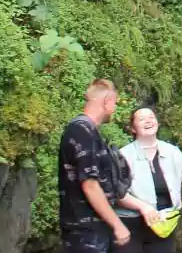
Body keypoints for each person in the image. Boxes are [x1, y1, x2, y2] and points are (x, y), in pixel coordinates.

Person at [58, 79, 157, 252]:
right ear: (107, 101)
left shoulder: (90, 132)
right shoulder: (81, 131)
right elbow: (90, 185)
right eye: (116, 103)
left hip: (94, 230)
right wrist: (118, 225)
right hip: (83, 230)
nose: (116, 108)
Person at [116, 107, 182, 252]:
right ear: (133, 128)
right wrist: (143, 207)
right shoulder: (123, 155)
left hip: (164, 223)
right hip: (131, 223)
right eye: (142, 119)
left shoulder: (171, 151)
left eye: (151, 117)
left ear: (157, 122)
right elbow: (116, 192)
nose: (148, 121)